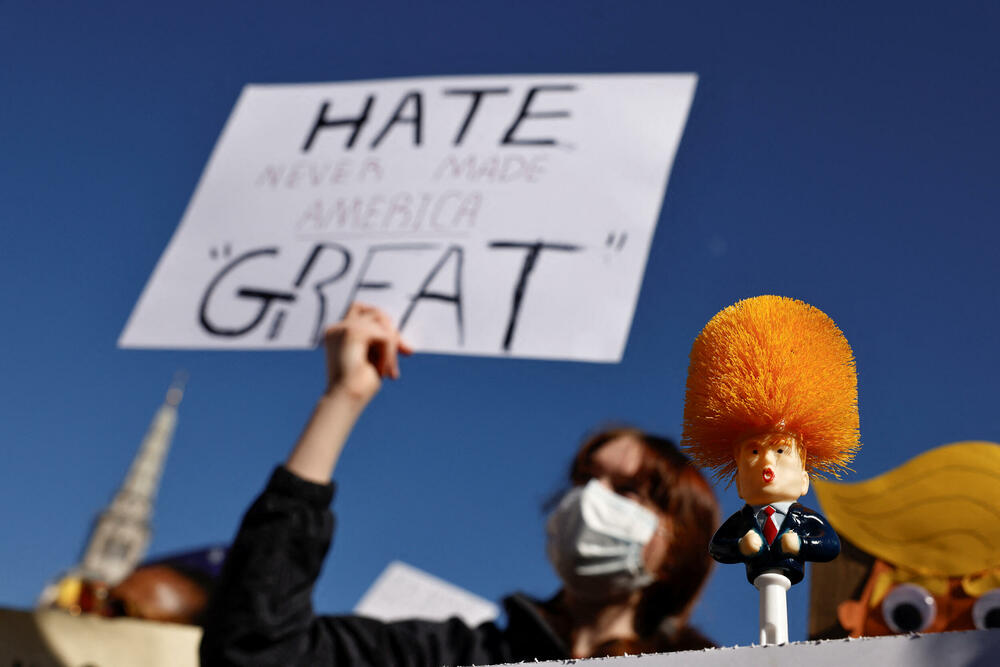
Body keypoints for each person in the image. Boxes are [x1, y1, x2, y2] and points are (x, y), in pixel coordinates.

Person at [200, 303, 719, 666]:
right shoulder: (453, 654)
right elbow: (256, 650)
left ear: (679, 548)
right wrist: (342, 399)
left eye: (627, 491)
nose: (589, 502)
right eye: (585, 481)